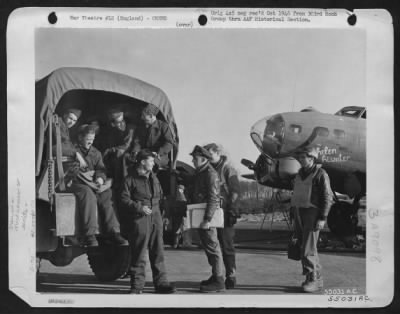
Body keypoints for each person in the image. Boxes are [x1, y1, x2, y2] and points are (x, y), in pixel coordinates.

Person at [120, 149, 176, 294]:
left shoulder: (154, 177)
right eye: (151, 160)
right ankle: (137, 286)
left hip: (156, 216)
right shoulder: (130, 179)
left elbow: (161, 196)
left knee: (158, 251)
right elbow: (123, 199)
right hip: (140, 218)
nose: (153, 163)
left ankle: (162, 284)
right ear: (143, 161)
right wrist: (139, 207)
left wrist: (164, 215)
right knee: (139, 253)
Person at [67, 124, 128, 247]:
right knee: (87, 193)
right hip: (75, 183)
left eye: (93, 139)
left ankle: (113, 231)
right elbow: (71, 170)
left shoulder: (96, 153)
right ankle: (89, 234)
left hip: (92, 183)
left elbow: (101, 169)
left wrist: (100, 179)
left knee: (106, 193)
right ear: (80, 137)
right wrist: (89, 178)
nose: (91, 141)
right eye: (88, 138)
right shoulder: (71, 150)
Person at [291, 146, 333, 292]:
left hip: (312, 213)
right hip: (299, 212)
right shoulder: (299, 174)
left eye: (304, 157)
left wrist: (323, 217)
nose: (301, 160)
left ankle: (315, 279)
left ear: (312, 158)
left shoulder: (321, 173)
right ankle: (311, 277)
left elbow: (328, 197)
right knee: (303, 246)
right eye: (300, 157)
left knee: (308, 248)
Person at [204, 143, 240, 289]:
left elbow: (235, 191)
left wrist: (232, 209)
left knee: (226, 245)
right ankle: (216, 274)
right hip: (211, 211)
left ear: (218, 153)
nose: (208, 157)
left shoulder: (227, 169)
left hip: (225, 212)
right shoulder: (207, 169)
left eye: (210, 154)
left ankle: (231, 276)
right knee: (213, 246)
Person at [189, 145, 225, 293]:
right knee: (209, 247)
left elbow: (213, 198)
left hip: (206, 217)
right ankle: (216, 275)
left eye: (195, 158)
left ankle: (218, 279)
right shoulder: (201, 173)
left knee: (213, 247)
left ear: (203, 159)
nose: (192, 160)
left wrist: (207, 219)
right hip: (201, 214)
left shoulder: (210, 174)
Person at [94, 108, 136, 191]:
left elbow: (127, 145)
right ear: (113, 124)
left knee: (119, 154)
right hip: (118, 153)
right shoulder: (113, 132)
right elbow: (110, 144)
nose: (121, 124)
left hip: (131, 153)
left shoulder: (131, 129)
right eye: (118, 123)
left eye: (122, 121)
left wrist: (111, 150)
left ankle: (123, 184)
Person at [133, 103, 174, 170]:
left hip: (159, 156)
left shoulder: (163, 126)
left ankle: (150, 180)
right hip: (145, 154)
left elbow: (169, 143)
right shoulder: (142, 126)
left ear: (151, 116)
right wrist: (136, 151)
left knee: (149, 163)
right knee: (128, 158)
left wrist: (159, 152)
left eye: (144, 116)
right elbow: (137, 141)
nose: (141, 117)